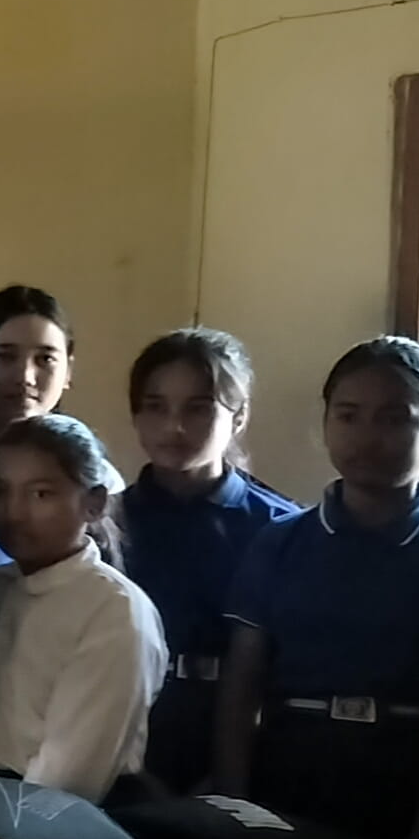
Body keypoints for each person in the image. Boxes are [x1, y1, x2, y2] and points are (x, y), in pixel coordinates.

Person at [210, 336, 419, 839]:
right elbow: (240, 690)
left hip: (405, 778)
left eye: (394, 419)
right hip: (290, 774)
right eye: (348, 415)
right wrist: (235, 807)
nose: (367, 437)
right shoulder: (280, 542)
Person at [123, 327, 301, 790]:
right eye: (155, 407)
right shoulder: (107, 522)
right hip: (123, 732)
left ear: (238, 416)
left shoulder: (281, 528)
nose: (174, 427)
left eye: (198, 408)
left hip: (244, 747)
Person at [0, 414, 168, 801]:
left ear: (93, 504)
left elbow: (68, 781)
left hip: (40, 815)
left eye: (41, 494)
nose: (14, 513)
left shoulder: (114, 611)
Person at [0, 286, 75, 434]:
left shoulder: (85, 449)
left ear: (68, 371)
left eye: (45, 358)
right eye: (5, 356)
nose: (25, 378)